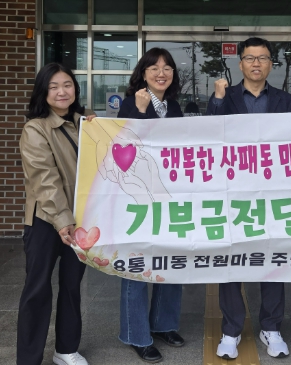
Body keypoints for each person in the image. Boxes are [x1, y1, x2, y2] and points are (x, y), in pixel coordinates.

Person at [206, 37, 291, 359]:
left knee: (272, 259)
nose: (256, 63)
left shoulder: (287, 101)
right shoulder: (225, 97)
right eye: (250, 58)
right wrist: (217, 99)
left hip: (273, 192)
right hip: (233, 192)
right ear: (240, 63)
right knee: (232, 260)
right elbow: (209, 135)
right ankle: (231, 330)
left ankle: (271, 327)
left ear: (271, 63)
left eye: (262, 58)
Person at [17, 63, 89, 365]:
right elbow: (44, 179)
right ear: (43, 93)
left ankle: (66, 349)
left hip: (80, 219)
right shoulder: (35, 128)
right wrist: (62, 220)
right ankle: (29, 358)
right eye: (54, 86)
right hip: (45, 221)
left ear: (75, 89)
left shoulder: (85, 123)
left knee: (72, 286)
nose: (62, 92)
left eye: (67, 85)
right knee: (37, 289)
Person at [117, 47, 185, 363]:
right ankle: (137, 335)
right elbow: (129, 147)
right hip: (139, 199)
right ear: (142, 74)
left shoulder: (175, 107)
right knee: (137, 265)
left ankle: (163, 324)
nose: (161, 73)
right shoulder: (130, 104)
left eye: (167, 67)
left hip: (170, 197)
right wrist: (141, 112)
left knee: (171, 261)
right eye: (154, 67)